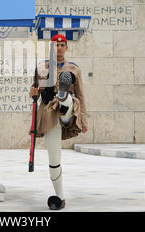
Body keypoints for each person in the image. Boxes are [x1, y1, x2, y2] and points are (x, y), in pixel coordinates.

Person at [29, 33, 88, 210]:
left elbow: (81, 95)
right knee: (54, 159)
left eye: (62, 45)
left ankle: (62, 95)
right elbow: (34, 91)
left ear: (67, 47)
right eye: (56, 45)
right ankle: (59, 197)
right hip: (49, 114)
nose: (59, 48)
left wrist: (84, 121)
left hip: (68, 109)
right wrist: (33, 93)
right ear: (52, 48)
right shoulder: (41, 67)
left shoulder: (74, 68)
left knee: (67, 99)